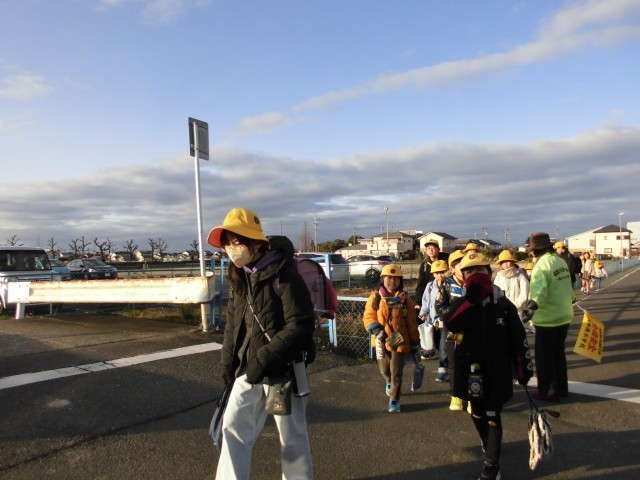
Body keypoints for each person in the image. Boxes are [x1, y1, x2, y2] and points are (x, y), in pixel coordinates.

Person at [208, 207, 315, 480]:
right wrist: (227, 363)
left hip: (283, 372)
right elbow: (233, 325)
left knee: (291, 439)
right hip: (247, 371)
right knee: (232, 428)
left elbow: (300, 326)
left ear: (256, 242)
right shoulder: (240, 276)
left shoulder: (285, 275)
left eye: (237, 241)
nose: (231, 249)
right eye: (227, 244)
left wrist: (264, 359)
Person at [442, 252, 533, 480]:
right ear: (463, 276)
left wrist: (523, 368)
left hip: (497, 370)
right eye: (469, 271)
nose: (475, 274)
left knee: (492, 415)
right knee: (476, 413)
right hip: (471, 370)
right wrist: (469, 301)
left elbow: (518, 337)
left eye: (480, 269)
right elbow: (450, 322)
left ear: (490, 273)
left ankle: (492, 465)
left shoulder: (503, 303)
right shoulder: (464, 301)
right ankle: (486, 442)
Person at [523, 232, 575, 403]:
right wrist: (572, 298)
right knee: (558, 354)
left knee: (544, 357)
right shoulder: (560, 261)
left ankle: (548, 391)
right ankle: (562, 388)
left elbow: (539, 290)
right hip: (564, 315)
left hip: (548, 319)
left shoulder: (541, 265)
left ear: (537, 249)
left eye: (532, 249)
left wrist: (532, 306)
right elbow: (567, 285)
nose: (531, 252)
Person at [363, 264, 420, 413]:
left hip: (400, 341)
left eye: (396, 279)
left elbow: (411, 323)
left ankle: (394, 398)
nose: (392, 282)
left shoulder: (405, 300)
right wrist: (376, 329)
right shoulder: (375, 297)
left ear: (400, 281)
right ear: (382, 279)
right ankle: (388, 381)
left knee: (397, 372)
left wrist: (415, 342)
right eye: (389, 278)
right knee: (384, 370)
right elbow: (368, 316)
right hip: (381, 340)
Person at [434, 249, 467, 410]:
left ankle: (473, 397)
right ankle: (456, 395)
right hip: (452, 333)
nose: (466, 269)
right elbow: (439, 305)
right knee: (454, 365)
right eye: (462, 265)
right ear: (452, 269)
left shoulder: (474, 283)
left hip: (473, 331)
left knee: (473, 364)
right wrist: (454, 315)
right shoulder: (447, 284)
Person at [418, 259, 448, 362]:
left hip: (445, 320)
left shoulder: (449, 285)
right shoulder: (430, 286)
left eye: (442, 272)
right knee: (432, 340)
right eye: (437, 273)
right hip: (432, 320)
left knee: (443, 345)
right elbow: (425, 301)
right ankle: (434, 353)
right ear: (433, 274)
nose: (440, 275)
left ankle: (443, 364)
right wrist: (423, 312)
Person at [414, 239, 450, 320]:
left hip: (445, 292)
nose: (431, 250)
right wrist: (418, 302)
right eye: (428, 248)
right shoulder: (424, 265)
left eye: (433, 247)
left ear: (438, 249)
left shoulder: (447, 261)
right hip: (431, 293)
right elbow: (421, 284)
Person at [493, 250, 530, 324]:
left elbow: (524, 294)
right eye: (503, 262)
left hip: (517, 310)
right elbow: (495, 293)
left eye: (507, 261)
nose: (505, 264)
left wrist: (514, 306)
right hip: (502, 310)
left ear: (512, 262)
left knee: (517, 329)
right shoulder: (499, 276)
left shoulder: (520, 276)